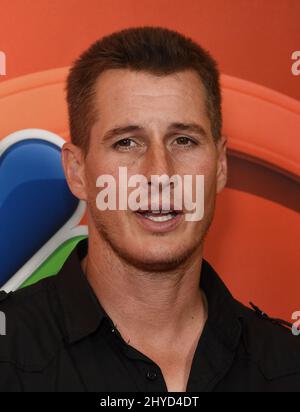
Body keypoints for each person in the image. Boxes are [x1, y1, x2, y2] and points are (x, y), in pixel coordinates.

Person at [0, 26, 299, 392]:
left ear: (220, 166)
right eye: (127, 142)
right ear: (77, 172)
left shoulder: (288, 365)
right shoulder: (7, 354)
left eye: (184, 140)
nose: (160, 173)